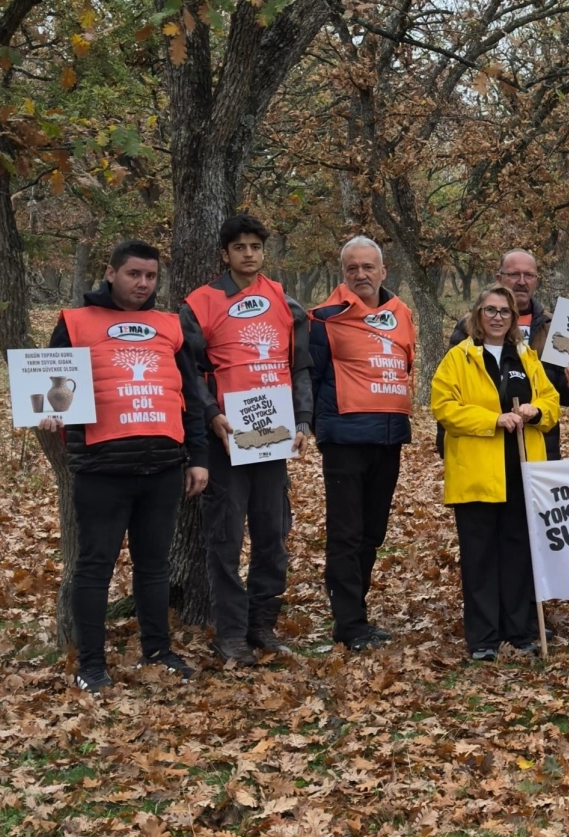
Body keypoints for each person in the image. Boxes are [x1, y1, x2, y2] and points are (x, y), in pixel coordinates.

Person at [41, 240, 211, 692]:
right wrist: (50, 412)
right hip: (102, 470)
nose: (143, 283)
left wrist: (198, 458)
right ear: (111, 273)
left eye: (151, 276)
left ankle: (158, 651)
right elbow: (51, 384)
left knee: (154, 567)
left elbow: (192, 397)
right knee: (94, 567)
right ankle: (91, 665)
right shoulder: (76, 323)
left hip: (162, 470)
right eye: (134, 274)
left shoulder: (170, 326)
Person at [180, 214, 312, 665]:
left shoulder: (285, 302)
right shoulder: (200, 304)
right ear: (225, 254)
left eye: (255, 246)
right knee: (226, 539)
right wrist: (211, 413)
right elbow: (189, 371)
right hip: (225, 440)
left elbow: (299, 366)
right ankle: (231, 633)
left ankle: (262, 625)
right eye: (240, 247)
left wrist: (303, 420)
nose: (249, 254)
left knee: (273, 535)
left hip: (273, 436)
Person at [431, 285, 560, 660]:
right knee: (481, 558)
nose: (498, 317)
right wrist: (493, 420)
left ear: (514, 318)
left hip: (521, 469)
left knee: (518, 554)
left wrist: (536, 410)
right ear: (477, 315)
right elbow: (444, 408)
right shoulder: (459, 358)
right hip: (477, 473)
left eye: (505, 311)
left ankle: (519, 631)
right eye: (490, 310)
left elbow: (551, 401)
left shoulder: (526, 356)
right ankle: (484, 638)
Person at [309, 236, 415, 652]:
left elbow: (406, 364)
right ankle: (349, 624)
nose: (361, 274)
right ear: (343, 273)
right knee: (346, 534)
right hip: (345, 440)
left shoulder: (403, 314)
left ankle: (357, 611)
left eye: (368, 267)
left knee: (373, 533)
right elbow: (312, 376)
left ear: (383, 271)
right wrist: (321, 428)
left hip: (389, 438)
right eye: (352, 268)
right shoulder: (324, 319)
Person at [438, 249, 569, 461]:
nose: (522, 282)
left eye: (529, 275)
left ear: (537, 280)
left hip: (539, 444)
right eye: (514, 274)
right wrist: (445, 442)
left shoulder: (555, 326)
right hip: (479, 448)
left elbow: (557, 398)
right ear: (499, 277)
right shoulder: (469, 325)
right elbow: (449, 392)